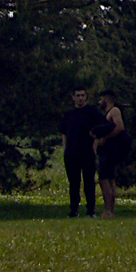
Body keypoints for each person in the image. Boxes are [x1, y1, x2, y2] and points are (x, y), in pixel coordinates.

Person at [58, 87, 106, 217]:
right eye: (78, 95)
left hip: (87, 152)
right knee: (74, 183)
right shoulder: (69, 114)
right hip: (72, 153)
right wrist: (65, 149)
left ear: (86, 97)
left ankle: (91, 210)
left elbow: (103, 127)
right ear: (73, 97)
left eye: (82, 95)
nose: (80, 98)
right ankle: (73, 210)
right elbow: (64, 133)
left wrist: (95, 146)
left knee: (89, 182)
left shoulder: (92, 112)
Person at [93, 90, 132, 217]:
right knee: (109, 179)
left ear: (106, 99)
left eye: (100, 100)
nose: (99, 102)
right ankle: (110, 211)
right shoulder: (106, 113)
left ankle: (108, 210)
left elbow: (120, 127)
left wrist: (105, 138)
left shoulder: (114, 111)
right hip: (107, 151)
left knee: (104, 179)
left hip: (110, 151)